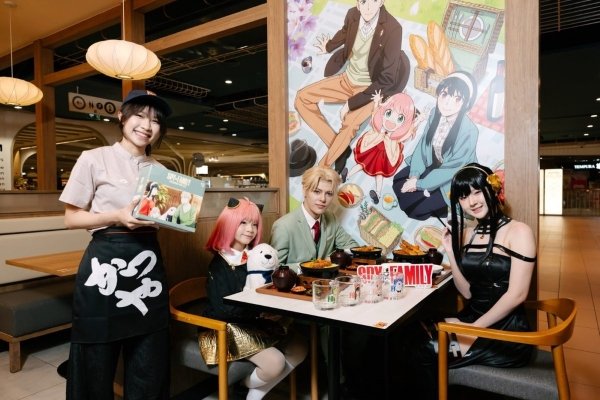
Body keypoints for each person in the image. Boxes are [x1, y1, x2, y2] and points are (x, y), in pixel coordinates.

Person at [59, 89, 173, 399]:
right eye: (140, 116)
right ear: (122, 117)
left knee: (149, 360)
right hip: (104, 266)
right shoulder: (94, 158)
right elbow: (71, 218)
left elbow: (164, 218)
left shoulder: (161, 171)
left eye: (155, 121)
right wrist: (117, 216)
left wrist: (178, 216)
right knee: (95, 360)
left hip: (147, 267)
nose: (147, 125)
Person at [399, 162, 536, 399]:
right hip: (473, 318)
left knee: (426, 351)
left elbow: (517, 295)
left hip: (504, 332)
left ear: (492, 189)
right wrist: (450, 251)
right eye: (463, 196)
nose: (472, 202)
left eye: (477, 192)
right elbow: (468, 293)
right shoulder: (469, 234)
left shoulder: (519, 231)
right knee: (407, 334)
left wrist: (474, 329)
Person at [201, 197, 307, 400]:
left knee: (299, 348)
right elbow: (223, 309)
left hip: (252, 322)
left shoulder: (256, 257)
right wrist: (260, 313)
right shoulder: (219, 264)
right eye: (243, 222)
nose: (250, 229)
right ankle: (243, 387)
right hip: (225, 328)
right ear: (228, 223)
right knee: (275, 363)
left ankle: (252, 392)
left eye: (255, 224)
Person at [294, 0, 409, 170]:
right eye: (363, 1)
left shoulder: (393, 28)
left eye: (373, 1)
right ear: (357, 3)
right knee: (301, 98)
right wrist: (329, 46)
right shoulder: (352, 14)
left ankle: (321, 169)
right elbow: (344, 32)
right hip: (346, 79)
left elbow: (387, 79)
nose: (368, 7)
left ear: (381, 2)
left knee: (349, 125)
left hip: (370, 89)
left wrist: (351, 103)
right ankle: (340, 149)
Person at [392, 71, 479, 221]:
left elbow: (452, 169)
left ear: (465, 104)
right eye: (444, 95)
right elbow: (423, 145)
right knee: (398, 181)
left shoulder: (470, 132)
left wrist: (419, 184)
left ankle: (447, 207)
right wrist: (415, 174)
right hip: (433, 166)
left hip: (454, 178)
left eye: (457, 99)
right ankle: (428, 195)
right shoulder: (434, 114)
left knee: (414, 209)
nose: (447, 103)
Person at [270, 165, 358, 267]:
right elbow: (274, 268)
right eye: (317, 191)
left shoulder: (331, 218)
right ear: (304, 191)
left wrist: (332, 258)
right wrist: (312, 266)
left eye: (329, 193)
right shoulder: (283, 226)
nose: (323, 199)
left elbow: (353, 248)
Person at [342, 91, 418, 204]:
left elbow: (408, 133)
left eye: (400, 119)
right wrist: (377, 102)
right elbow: (375, 114)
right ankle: (347, 176)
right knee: (362, 164)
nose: (391, 121)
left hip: (385, 155)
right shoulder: (379, 127)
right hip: (373, 148)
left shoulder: (396, 137)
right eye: (389, 113)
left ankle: (377, 194)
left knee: (379, 173)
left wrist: (417, 122)